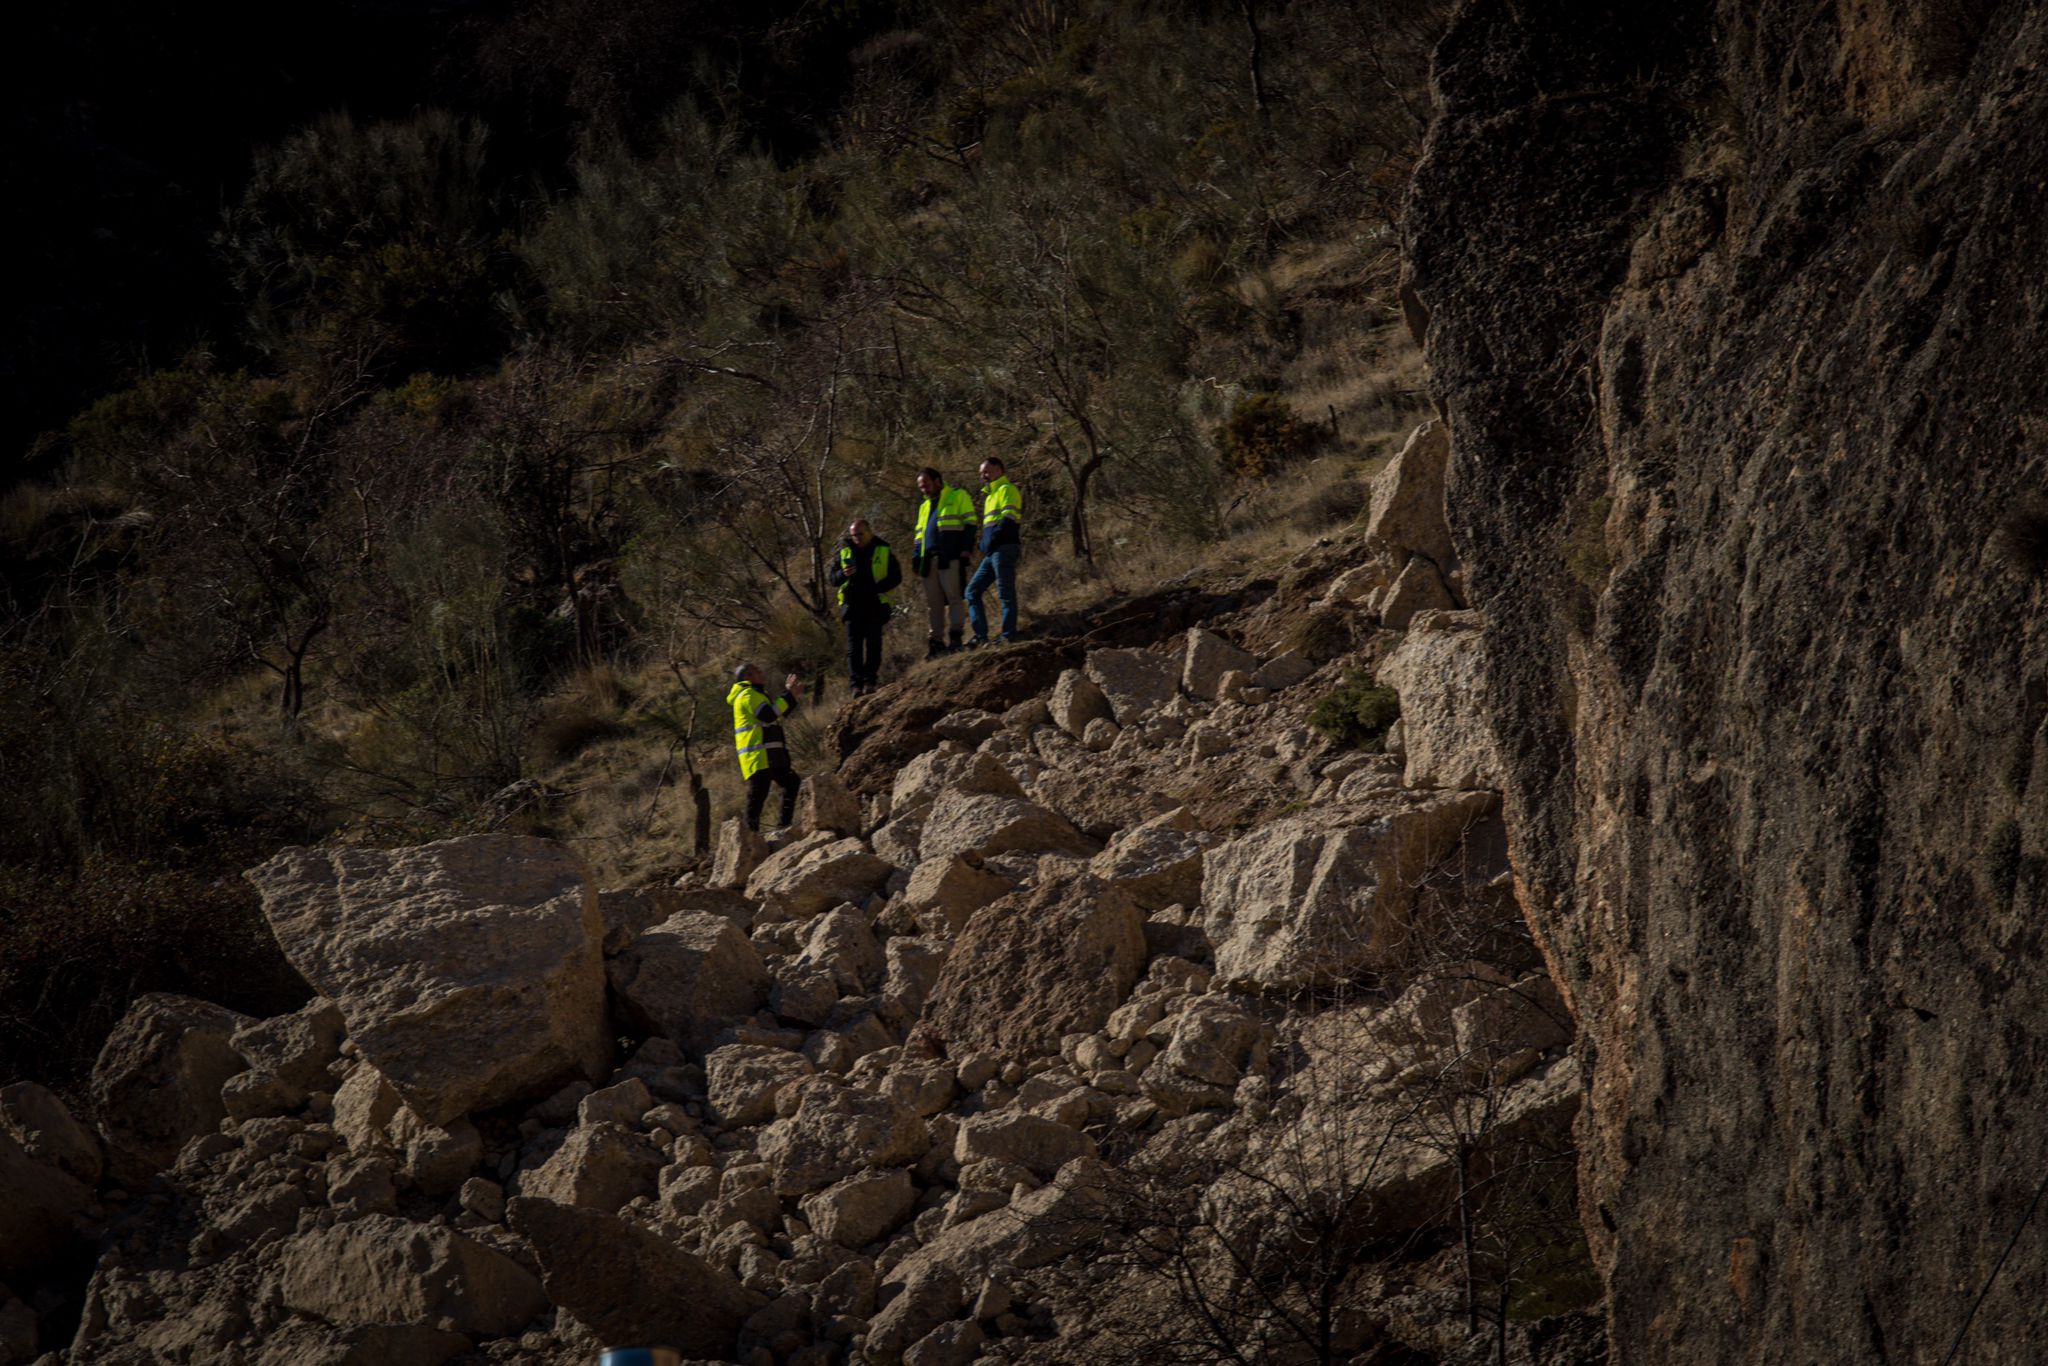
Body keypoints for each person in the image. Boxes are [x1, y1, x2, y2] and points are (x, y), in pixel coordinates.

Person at [828, 517, 901, 696]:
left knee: (874, 644)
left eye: (860, 534)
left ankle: (870, 681)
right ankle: (856, 685)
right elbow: (832, 579)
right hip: (852, 605)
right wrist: (843, 574)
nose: (857, 538)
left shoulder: (883, 550)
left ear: (870, 533)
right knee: (854, 648)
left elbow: (896, 576)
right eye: (854, 535)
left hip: (875, 603)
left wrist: (879, 587)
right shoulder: (845, 552)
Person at [727, 662, 803, 833]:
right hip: (759, 757)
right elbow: (768, 715)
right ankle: (749, 839)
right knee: (757, 798)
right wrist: (788, 695)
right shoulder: (748, 695)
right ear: (747, 677)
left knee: (791, 783)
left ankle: (782, 828)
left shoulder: (756, 695)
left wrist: (791, 697)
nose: (761, 672)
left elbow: (775, 713)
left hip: (769, 756)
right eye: (756, 671)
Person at [911, 466, 975, 657]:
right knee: (934, 603)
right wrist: (916, 557)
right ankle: (936, 642)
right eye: (921, 487)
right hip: (928, 560)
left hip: (950, 556)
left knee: (955, 597)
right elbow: (919, 536)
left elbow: (970, 524)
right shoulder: (924, 507)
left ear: (938, 480)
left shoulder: (957, 495)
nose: (925, 489)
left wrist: (965, 550)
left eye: (927, 485)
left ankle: (956, 636)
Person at [965, 456, 1022, 645]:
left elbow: (1008, 519)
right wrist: (983, 544)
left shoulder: (1007, 489)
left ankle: (1008, 636)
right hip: (992, 551)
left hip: (1004, 548)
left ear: (1000, 470)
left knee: (1005, 592)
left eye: (987, 471)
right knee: (972, 591)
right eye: (982, 473)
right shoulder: (990, 496)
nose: (983, 475)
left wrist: (991, 541)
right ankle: (981, 637)